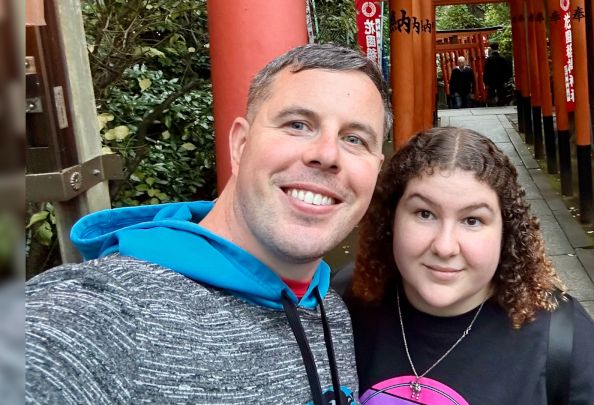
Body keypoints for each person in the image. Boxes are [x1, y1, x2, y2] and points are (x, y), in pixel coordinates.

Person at [25, 44, 392, 404]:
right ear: (241, 144)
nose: (326, 154)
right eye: (297, 124)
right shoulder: (111, 311)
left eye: (354, 139)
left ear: (376, 170)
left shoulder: (332, 313)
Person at [346, 127, 594, 404]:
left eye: (472, 220)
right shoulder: (343, 303)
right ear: (390, 218)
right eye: (424, 214)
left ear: (505, 232)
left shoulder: (559, 337)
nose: (445, 247)